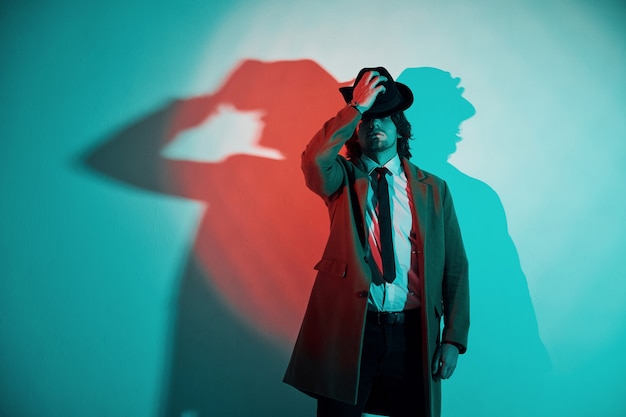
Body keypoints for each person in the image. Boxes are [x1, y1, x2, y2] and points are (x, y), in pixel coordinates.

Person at [283, 67, 470, 417]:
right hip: (353, 331)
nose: (374, 123)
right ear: (356, 127)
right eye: (368, 117)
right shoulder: (341, 178)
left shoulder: (434, 189)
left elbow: (455, 267)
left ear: (400, 126)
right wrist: (355, 107)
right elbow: (313, 160)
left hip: (416, 335)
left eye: (385, 116)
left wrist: (453, 339)